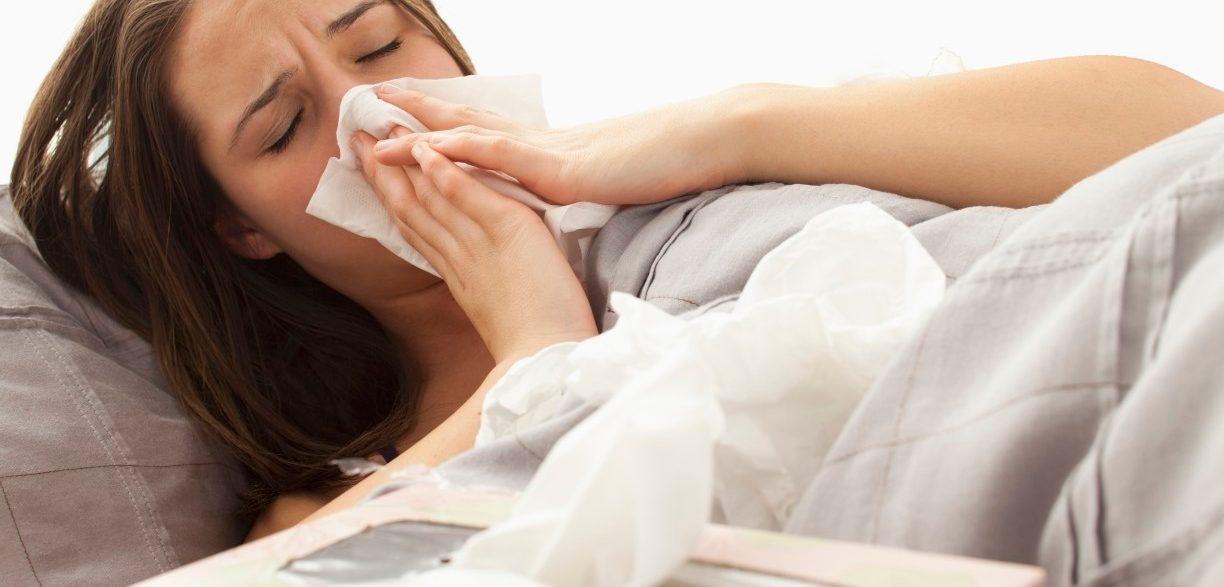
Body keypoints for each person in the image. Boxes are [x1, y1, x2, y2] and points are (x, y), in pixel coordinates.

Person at [11, 0, 1224, 545]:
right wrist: (538, 353)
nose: (376, 114)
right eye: (284, 127)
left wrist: (730, 128)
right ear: (241, 231)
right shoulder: (336, 492)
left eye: (379, 41)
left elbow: (1184, 134)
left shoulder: (675, 185)